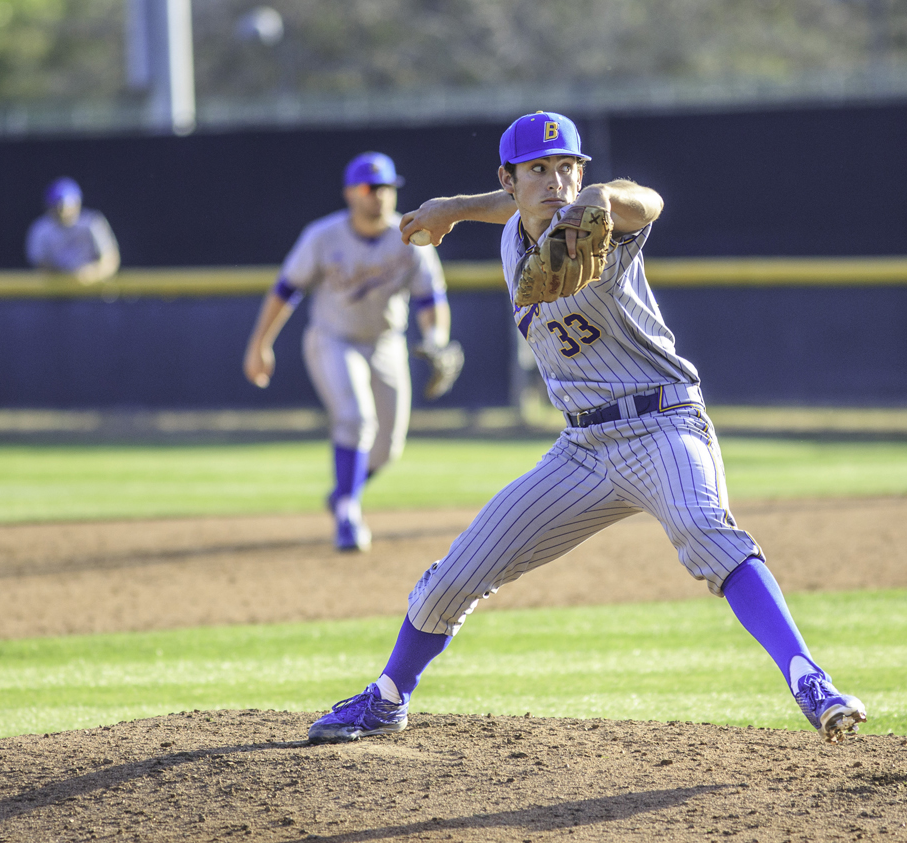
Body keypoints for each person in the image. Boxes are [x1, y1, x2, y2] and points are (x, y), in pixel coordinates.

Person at [305, 112, 866, 745]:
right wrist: (455, 209)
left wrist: (600, 195)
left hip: (663, 424)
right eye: (538, 170)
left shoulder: (603, 227)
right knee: (456, 574)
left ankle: (810, 680)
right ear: (509, 179)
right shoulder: (514, 229)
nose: (556, 182)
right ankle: (388, 698)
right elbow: (512, 207)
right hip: (583, 449)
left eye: (569, 168)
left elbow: (648, 203)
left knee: (705, 531)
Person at [243, 152, 459, 552]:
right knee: (356, 419)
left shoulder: (411, 236)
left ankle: (344, 491)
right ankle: (347, 514)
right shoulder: (323, 236)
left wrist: (436, 338)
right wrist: (260, 344)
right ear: (350, 193)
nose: (379, 195)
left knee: (388, 448)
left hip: (386, 343)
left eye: (387, 187)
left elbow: (431, 300)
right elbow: (285, 291)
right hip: (333, 340)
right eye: (369, 188)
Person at [25, 177, 121, 283]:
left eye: (67, 206)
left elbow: (111, 260)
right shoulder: (41, 228)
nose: (63, 212)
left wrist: (91, 273)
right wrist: (63, 275)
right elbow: (39, 264)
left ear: (77, 204)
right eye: (57, 207)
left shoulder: (92, 223)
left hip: (93, 288)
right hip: (56, 288)